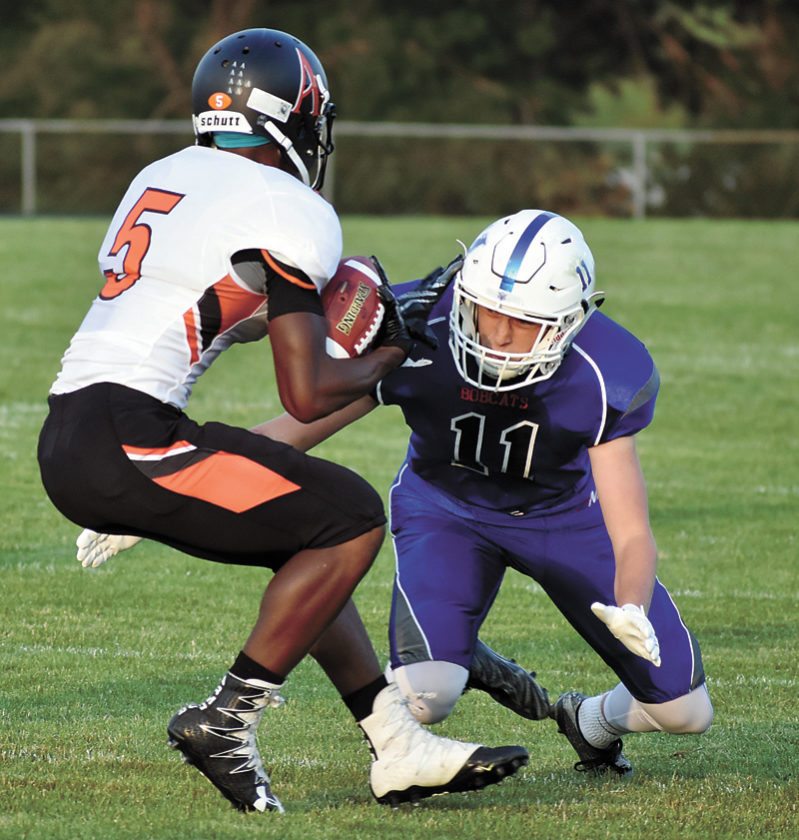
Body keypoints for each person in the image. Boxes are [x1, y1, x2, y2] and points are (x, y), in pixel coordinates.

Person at [37, 28, 529, 814]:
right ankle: (225, 721)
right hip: (130, 430)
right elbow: (307, 391)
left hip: (72, 429)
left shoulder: (165, 175)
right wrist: (391, 351)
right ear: (292, 117)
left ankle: (397, 745)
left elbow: (229, 304)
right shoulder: (285, 204)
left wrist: (366, 315)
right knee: (350, 517)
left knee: (308, 537)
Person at [83, 209, 715, 775]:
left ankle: (590, 720)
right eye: (486, 311)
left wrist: (631, 604)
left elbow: (631, 531)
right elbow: (298, 430)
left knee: (686, 712)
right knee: (424, 698)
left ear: (569, 322)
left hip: (561, 519)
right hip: (446, 512)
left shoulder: (605, 370)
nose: (496, 336)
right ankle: (462, 656)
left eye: (522, 323)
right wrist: (169, 486)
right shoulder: (416, 322)